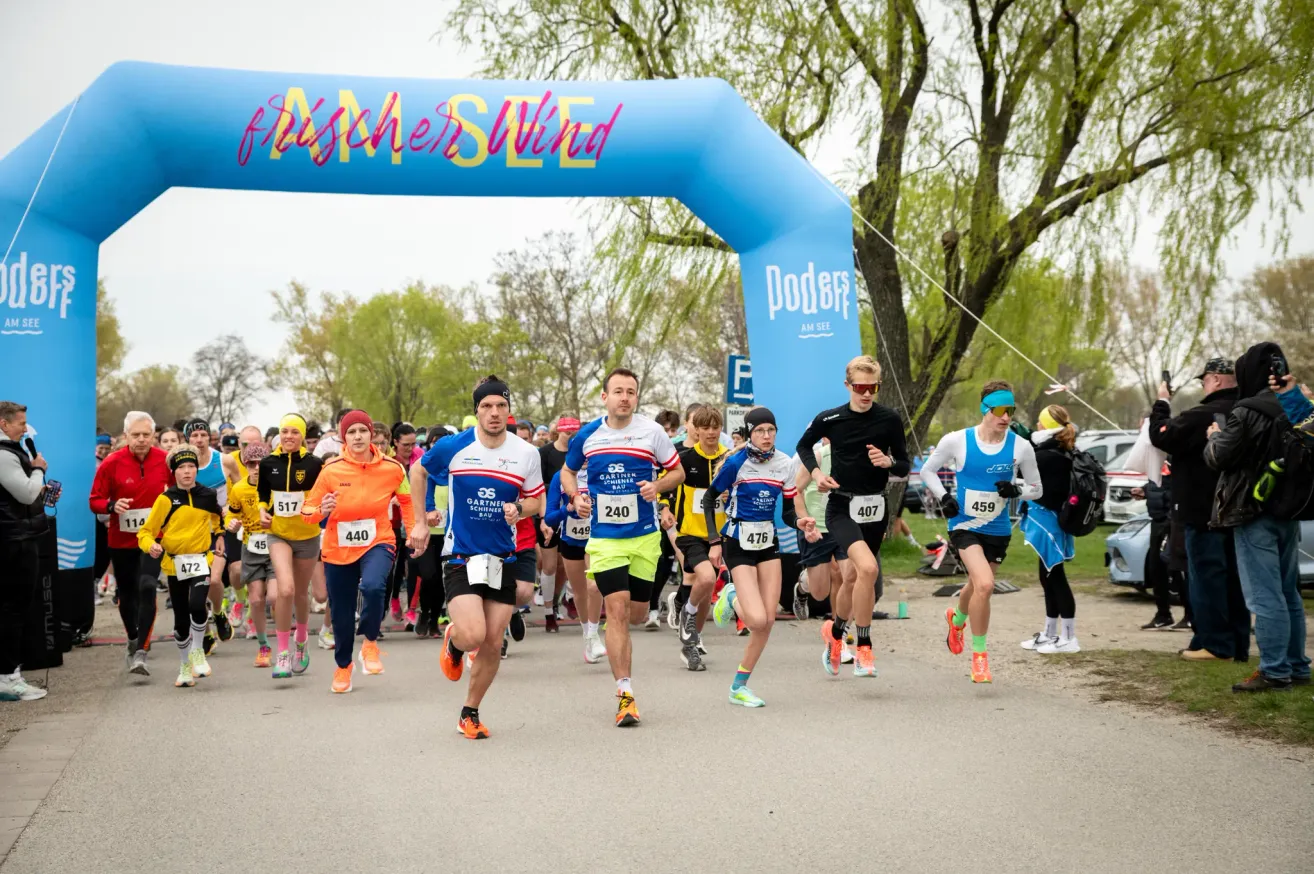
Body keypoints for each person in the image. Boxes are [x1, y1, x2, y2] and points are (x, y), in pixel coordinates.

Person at [408, 376, 545, 739]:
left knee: (492, 642)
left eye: (500, 405)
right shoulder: (453, 447)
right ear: (477, 411)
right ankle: (455, 641)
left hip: (503, 556)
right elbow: (417, 471)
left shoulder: (525, 453)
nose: (494, 413)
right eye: (486, 406)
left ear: (509, 410)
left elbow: (536, 501)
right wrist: (420, 522)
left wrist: (519, 508)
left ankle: (469, 711)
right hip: (462, 554)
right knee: (473, 635)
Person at [560, 368, 685, 727]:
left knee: (636, 612)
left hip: (645, 537)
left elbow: (676, 473)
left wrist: (657, 487)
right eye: (618, 391)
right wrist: (577, 495)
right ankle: (625, 694)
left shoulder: (652, 432)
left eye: (631, 391)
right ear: (605, 397)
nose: (625, 397)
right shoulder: (588, 435)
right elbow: (568, 473)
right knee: (615, 610)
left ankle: (633, 626)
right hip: (605, 539)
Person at [919, 380, 1042, 683]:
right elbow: (927, 471)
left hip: (998, 528)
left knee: (976, 586)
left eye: (1010, 411)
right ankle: (980, 657)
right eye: (1000, 410)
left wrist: (1017, 489)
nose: (1006, 417)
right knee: (985, 585)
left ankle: (957, 618)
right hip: (964, 524)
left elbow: (1038, 489)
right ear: (985, 410)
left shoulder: (1021, 446)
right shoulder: (957, 440)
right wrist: (944, 497)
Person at [796, 355, 910, 680]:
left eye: (872, 387)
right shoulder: (830, 418)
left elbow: (903, 463)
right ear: (848, 385)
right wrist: (817, 473)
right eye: (860, 387)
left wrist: (889, 463)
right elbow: (803, 446)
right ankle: (863, 648)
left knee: (851, 578)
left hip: (875, 509)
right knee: (869, 569)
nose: (866, 394)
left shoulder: (889, 419)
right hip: (842, 507)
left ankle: (834, 636)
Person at [1205, 343, 1310, 691]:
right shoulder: (1293, 405)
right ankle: (1297, 666)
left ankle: (1274, 670)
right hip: (1290, 508)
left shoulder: (1245, 410)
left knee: (1265, 596)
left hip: (1253, 510)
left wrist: (1214, 437)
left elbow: (1220, 457)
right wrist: (1293, 393)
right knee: (1288, 593)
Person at [302, 410, 414, 694]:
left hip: (378, 539)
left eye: (362, 431)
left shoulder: (393, 468)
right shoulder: (330, 471)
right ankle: (343, 667)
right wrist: (320, 511)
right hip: (339, 547)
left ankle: (370, 643)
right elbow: (306, 511)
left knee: (375, 586)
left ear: (371, 435)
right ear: (344, 438)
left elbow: (407, 501)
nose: (358, 437)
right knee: (341, 613)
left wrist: (412, 532)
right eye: (351, 432)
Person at [1148, 357, 1249, 662]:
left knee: (1206, 578)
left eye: (1204, 380)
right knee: (1233, 580)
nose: (1203, 386)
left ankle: (1214, 645)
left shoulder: (1204, 414)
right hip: (1237, 509)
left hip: (1202, 510)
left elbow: (1161, 433)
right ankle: (1234, 643)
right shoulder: (1246, 412)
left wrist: (1162, 402)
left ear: (1216, 379)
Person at [704, 407, 798, 707]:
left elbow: (788, 512)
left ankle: (739, 686)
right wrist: (714, 541)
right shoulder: (736, 463)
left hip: (767, 542)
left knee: (768, 622)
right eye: (760, 431)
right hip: (737, 542)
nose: (766, 436)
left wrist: (802, 523)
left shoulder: (784, 463)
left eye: (771, 430)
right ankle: (731, 596)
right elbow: (708, 500)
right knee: (756, 619)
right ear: (749, 434)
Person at [89, 411, 171, 675]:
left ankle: (141, 651)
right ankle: (134, 636)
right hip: (121, 539)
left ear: (154, 436)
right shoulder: (111, 463)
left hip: (153, 539)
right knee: (127, 595)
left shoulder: (164, 460)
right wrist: (112, 505)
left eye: (146, 435)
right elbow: (95, 501)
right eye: (135, 435)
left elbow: (180, 489)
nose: (141, 440)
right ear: (126, 436)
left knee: (147, 586)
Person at [137, 446, 225, 689]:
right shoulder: (165, 500)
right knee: (180, 618)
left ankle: (198, 652)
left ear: (197, 469)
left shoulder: (207, 495)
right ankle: (184, 665)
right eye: (182, 468)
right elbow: (145, 532)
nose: (187, 472)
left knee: (197, 604)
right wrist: (150, 545)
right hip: (174, 563)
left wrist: (220, 534)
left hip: (200, 560)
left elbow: (218, 516)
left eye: (191, 467)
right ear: (173, 472)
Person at [257, 414, 325, 679]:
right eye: (284, 431)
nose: (288, 437)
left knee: (300, 593)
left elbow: (322, 495)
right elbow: (262, 492)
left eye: (294, 432)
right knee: (285, 589)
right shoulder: (268, 463)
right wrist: (263, 510)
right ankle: (283, 654)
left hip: (307, 536)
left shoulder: (314, 464)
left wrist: (318, 511)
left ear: (302, 436)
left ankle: (301, 638)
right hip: (278, 534)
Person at [668, 404, 729, 671]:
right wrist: (663, 508)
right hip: (690, 534)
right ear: (695, 430)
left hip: (720, 534)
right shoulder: (684, 458)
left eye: (715, 427)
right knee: (704, 578)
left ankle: (691, 643)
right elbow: (664, 483)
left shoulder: (730, 459)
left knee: (705, 594)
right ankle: (686, 614)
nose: (711, 432)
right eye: (705, 428)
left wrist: (731, 495)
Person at [0, 401, 52, 701]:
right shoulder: (4, 455)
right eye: (20, 422)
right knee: (13, 608)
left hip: (19, 536)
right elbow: (26, 492)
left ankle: (10, 672)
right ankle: (8, 677)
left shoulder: (13, 451)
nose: (25, 427)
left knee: (15, 608)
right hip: (13, 541)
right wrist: (37, 471)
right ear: (4, 424)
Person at [1018, 405, 1079, 654]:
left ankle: (1069, 638)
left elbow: (1035, 485)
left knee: (1056, 577)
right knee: (1047, 577)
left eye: (1041, 422)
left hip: (1048, 521)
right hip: (1049, 519)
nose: (1037, 426)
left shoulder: (1047, 455)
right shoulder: (1057, 451)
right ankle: (1050, 633)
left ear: (1048, 426)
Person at [544, 464, 606, 662]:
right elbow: (549, 516)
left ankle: (594, 635)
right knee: (579, 592)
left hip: (596, 539)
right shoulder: (560, 477)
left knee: (594, 586)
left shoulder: (600, 471)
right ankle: (587, 633)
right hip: (571, 540)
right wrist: (567, 510)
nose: (584, 459)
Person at [225, 441, 275, 666]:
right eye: (251, 463)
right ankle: (264, 646)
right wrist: (232, 524)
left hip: (277, 545)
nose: (256, 467)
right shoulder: (239, 489)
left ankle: (284, 639)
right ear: (245, 465)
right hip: (251, 547)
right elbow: (230, 515)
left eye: (260, 463)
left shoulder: (277, 486)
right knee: (255, 599)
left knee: (273, 597)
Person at [535, 415, 579, 631]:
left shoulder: (578, 454)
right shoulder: (545, 453)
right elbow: (537, 486)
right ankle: (548, 612)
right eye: (567, 432)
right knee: (550, 565)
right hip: (551, 512)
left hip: (574, 517)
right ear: (558, 432)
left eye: (574, 433)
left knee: (564, 566)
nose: (570, 436)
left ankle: (558, 600)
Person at [1137, 463, 1192, 630]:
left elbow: (1177, 488)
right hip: (1157, 520)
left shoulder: (1173, 457)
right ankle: (1163, 614)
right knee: (1156, 568)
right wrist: (1145, 490)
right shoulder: (1155, 458)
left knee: (1176, 567)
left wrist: (1171, 518)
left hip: (1172, 521)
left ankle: (1190, 614)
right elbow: (1159, 485)